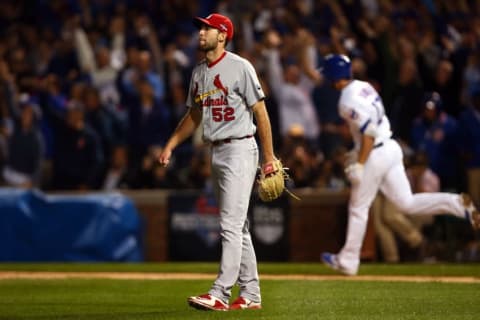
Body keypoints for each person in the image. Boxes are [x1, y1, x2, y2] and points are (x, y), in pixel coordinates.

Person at [320, 54, 479, 276]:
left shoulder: (345, 101)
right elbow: (373, 125)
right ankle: (457, 204)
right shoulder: (365, 86)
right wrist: (357, 152)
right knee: (406, 203)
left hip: (375, 152)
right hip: (392, 148)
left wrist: (360, 163)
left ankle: (348, 260)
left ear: (334, 77)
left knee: (358, 207)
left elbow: (369, 133)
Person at [158, 13, 276, 311]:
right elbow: (195, 115)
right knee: (239, 227)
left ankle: (221, 292)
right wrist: (171, 144)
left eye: (207, 28)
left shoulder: (240, 67)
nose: (201, 32)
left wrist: (270, 157)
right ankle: (251, 294)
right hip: (217, 151)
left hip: (240, 148)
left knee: (229, 224)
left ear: (222, 35)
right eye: (201, 27)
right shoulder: (199, 72)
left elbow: (260, 113)